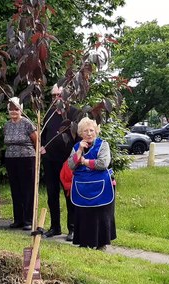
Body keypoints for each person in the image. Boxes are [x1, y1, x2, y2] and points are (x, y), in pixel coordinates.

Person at [67, 117, 116, 250]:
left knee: (100, 214)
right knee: (83, 214)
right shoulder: (77, 147)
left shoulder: (103, 145)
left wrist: (84, 162)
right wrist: (79, 151)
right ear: (80, 134)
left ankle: (101, 244)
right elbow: (71, 165)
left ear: (96, 131)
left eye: (91, 130)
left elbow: (102, 163)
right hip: (81, 186)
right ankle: (84, 242)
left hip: (101, 185)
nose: (89, 133)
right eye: (85, 131)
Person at [41, 84, 79, 238]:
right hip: (50, 160)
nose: (56, 98)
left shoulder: (75, 113)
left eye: (59, 95)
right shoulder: (49, 114)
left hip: (67, 162)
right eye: (53, 95)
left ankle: (72, 228)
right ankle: (55, 227)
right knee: (52, 194)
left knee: (69, 194)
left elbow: (81, 136)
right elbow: (43, 135)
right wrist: (42, 147)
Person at [3, 97, 37, 231]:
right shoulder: (7, 125)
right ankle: (18, 219)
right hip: (11, 159)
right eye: (11, 109)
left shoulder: (27, 123)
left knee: (27, 189)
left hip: (27, 158)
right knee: (15, 189)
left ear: (21, 110)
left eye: (16, 109)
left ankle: (28, 219)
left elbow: (36, 140)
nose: (13, 112)